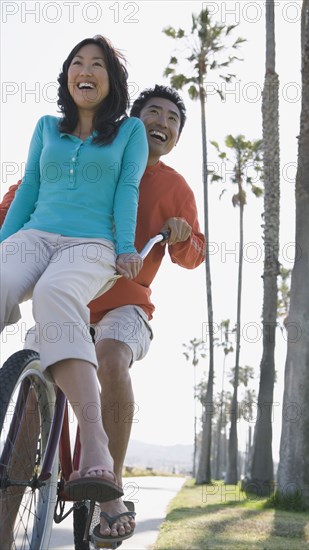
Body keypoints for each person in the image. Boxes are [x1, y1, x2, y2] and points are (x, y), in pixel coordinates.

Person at [0, 85, 205, 543]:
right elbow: (27, 192)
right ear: (129, 126)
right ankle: (5, 517)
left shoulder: (175, 187)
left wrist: (181, 233)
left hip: (126, 305)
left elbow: (194, 255)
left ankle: (106, 487)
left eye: (173, 119)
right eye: (152, 112)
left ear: (176, 137)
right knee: (33, 386)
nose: (162, 122)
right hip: (65, 297)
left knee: (112, 356)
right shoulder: (94, 157)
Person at [0, 33, 148, 526]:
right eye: (77, 63)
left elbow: (127, 189)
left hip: (92, 245)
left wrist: (126, 247)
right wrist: (4, 242)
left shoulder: (129, 133)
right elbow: (29, 189)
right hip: (37, 233)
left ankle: (97, 452)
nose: (86, 70)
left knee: (55, 293)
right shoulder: (46, 127)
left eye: (98, 64)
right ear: (68, 77)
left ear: (111, 80)